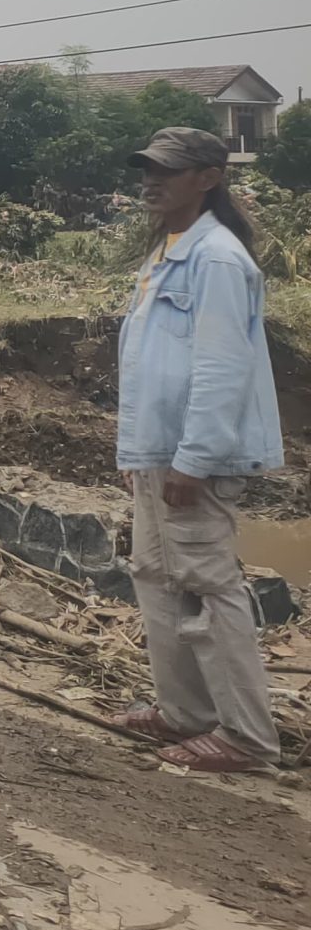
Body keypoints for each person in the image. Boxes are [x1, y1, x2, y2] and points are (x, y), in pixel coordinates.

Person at [110, 127, 283, 774]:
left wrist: (193, 459)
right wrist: (137, 451)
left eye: (169, 170)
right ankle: (184, 711)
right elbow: (151, 362)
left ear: (209, 176)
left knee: (210, 586)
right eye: (147, 168)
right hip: (157, 450)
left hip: (190, 456)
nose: (151, 180)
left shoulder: (216, 258)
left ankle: (245, 736)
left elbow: (219, 369)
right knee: (156, 575)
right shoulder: (169, 251)